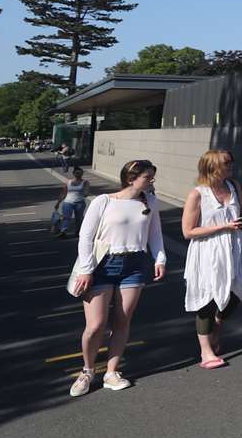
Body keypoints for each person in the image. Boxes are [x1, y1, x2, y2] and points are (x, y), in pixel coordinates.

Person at [65, 159, 166, 396]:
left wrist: (159, 259)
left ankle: (111, 372)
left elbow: (155, 234)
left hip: (135, 265)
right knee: (96, 325)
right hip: (103, 264)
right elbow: (86, 237)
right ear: (131, 178)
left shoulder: (149, 201)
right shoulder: (104, 201)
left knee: (122, 321)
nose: (151, 181)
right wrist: (87, 269)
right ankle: (88, 371)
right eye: (147, 177)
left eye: (152, 177)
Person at [182, 150, 242, 369]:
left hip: (235, 246)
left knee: (239, 288)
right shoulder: (197, 194)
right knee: (207, 298)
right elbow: (188, 231)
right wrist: (223, 226)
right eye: (226, 163)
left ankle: (216, 326)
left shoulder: (234, 186)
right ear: (212, 166)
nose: (231, 165)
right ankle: (206, 352)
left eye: (231, 161)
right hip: (208, 249)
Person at [53, 167, 89, 238]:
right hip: (68, 202)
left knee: (79, 218)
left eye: (80, 173)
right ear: (73, 173)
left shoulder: (85, 182)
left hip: (80, 203)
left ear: (82, 174)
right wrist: (58, 203)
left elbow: (86, 192)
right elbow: (63, 193)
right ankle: (63, 232)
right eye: (77, 173)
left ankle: (78, 232)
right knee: (66, 217)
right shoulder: (68, 182)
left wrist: (85, 193)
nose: (78, 174)